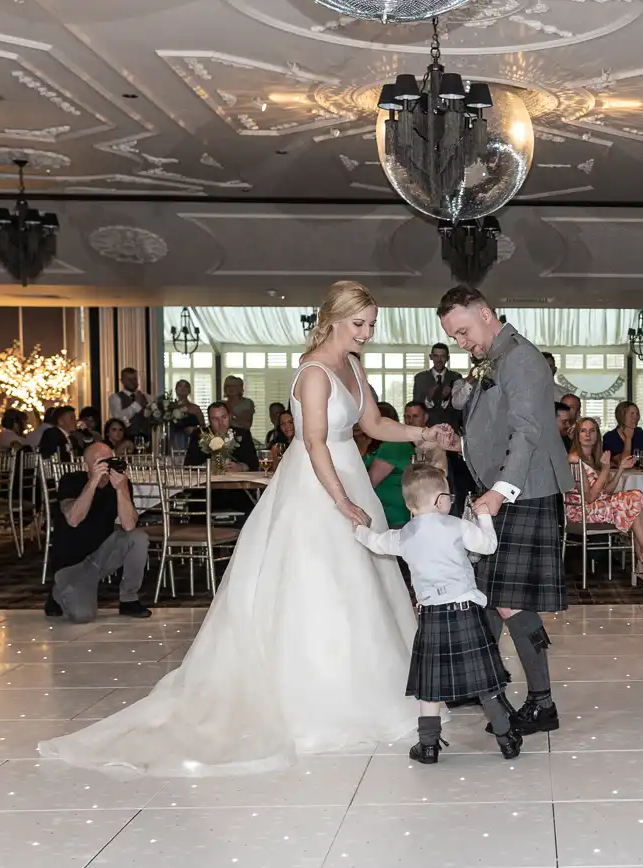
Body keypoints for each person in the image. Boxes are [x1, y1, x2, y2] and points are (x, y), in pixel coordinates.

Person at [38, 280, 439, 775]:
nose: (367, 333)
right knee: (316, 583)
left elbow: (375, 426)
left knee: (361, 586)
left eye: (372, 325)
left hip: (347, 474)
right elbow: (314, 443)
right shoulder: (314, 372)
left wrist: (424, 432)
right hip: (317, 485)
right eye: (360, 324)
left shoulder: (354, 366)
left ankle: (375, 689)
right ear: (333, 319)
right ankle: (312, 701)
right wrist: (342, 500)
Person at [439, 284, 574, 737]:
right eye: (454, 337)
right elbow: (495, 429)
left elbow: (528, 431)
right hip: (503, 488)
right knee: (492, 595)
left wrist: (499, 492)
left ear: (485, 312)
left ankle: (542, 702)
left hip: (524, 492)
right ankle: (483, 683)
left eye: (463, 331)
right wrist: (460, 443)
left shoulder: (520, 359)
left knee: (511, 601)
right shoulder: (493, 359)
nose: (461, 342)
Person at [354, 463, 522, 762]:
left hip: (432, 616)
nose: (451, 501)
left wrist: (358, 529)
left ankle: (428, 745)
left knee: (430, 687)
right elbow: (488, 546)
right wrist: (483, 515)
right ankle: (506, 738)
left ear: (409, 504)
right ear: (438, 501)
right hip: (466, 612)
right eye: (448, 496)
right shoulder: (457, 526)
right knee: (485, 682)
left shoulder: (405, 534)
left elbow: (377, 544)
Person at [45, 441, 152, 624]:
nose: (106, 468)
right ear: (85, 465)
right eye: (100, 463)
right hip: (71, 565)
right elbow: (73, 519)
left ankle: (129, 599)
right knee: (82, 616)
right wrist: (93, 481)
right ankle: (57, 594)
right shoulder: (71, 481)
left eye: (109, 461)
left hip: (100, 557)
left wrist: (121, 489)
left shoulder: (118, 483)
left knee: (139, 538)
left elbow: (129, 525)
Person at [565, 417, 643, 587]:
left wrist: (621, 468)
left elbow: (606, 491)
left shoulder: (593, 458)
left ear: (597, 435)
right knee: (637, 499)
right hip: (582, 511)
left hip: (598, 506)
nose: (588, 435)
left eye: (592, 430)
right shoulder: (575, 458)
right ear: (577, 436)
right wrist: (606, 468)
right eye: (583, 431)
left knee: (641, 504)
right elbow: (589, 497)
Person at [367, 401, 417, 528]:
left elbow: (370, 481)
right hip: (386, 512)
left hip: (391, 516)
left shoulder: (394, 445)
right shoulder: (381, 445)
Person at [187, 401, 259, 470]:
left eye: (224, 417)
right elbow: (188, 464)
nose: (220, 423)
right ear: (209, 421)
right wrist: (207, 466)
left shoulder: (242, 434)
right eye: (215, 419)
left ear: (230, 417)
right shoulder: (198, 435)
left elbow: (254, 463)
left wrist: (240, 467)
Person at [412, 342, 461, 427]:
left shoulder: (456, 377)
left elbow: (460, 407)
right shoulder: (420, 378)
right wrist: (428, 399)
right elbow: (416, 406)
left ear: (448, 358)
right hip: (427, 428)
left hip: (451, 428)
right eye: (436, 356)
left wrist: (447, 399)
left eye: (442, 356)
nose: (439, 360)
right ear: (431, 357)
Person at [107, 367, 149, 441]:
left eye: (135, 379)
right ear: (122, 381)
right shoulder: (115, 397)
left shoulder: (146, 396)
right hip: (126, 439)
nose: (133, 382)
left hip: (146, 438)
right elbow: (118, 417)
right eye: (129, 379)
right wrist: (136, 404)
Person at [602, 401, 643, 466]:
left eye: (637, 414)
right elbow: (623, 463)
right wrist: (628, 438)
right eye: (632, 414)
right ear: (621, 416)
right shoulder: (610, 437)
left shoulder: (639, 433)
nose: (636, 417)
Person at [168, 379, 203, 456]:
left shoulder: (196, 408)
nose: (183, 388)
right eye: (180, 386)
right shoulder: (169, 408)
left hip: (192, 441)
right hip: (175, 443)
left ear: (189, 390)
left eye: (186, 386)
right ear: (176, 389)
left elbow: (203, 427)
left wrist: (194, 429)